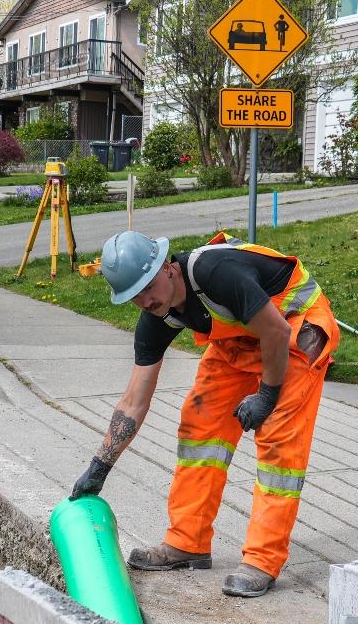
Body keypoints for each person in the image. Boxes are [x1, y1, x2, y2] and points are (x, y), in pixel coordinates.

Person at [70, 230, 340, 598]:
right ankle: (188, 542)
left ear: (167, 267)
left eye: (148, 287)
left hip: (293, 329)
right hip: (243, 337)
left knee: (278, 441)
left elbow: (275, 331)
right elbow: (134, 401)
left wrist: (266, 396)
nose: (146, 301)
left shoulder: (217, 273)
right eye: (135, 296)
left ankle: (262, 560)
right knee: (200, 425)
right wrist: (99, 467)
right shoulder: (157, 315)